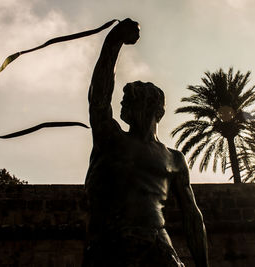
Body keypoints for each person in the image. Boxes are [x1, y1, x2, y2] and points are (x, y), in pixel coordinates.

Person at [83, 18, 209, 267]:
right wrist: (114, 40)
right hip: (110, 243)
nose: (121, 105)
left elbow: (192, 216)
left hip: (157, 244)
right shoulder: (111, 138)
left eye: (129, 101)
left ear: (152, 108)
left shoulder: (174, 158)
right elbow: (99, 96)